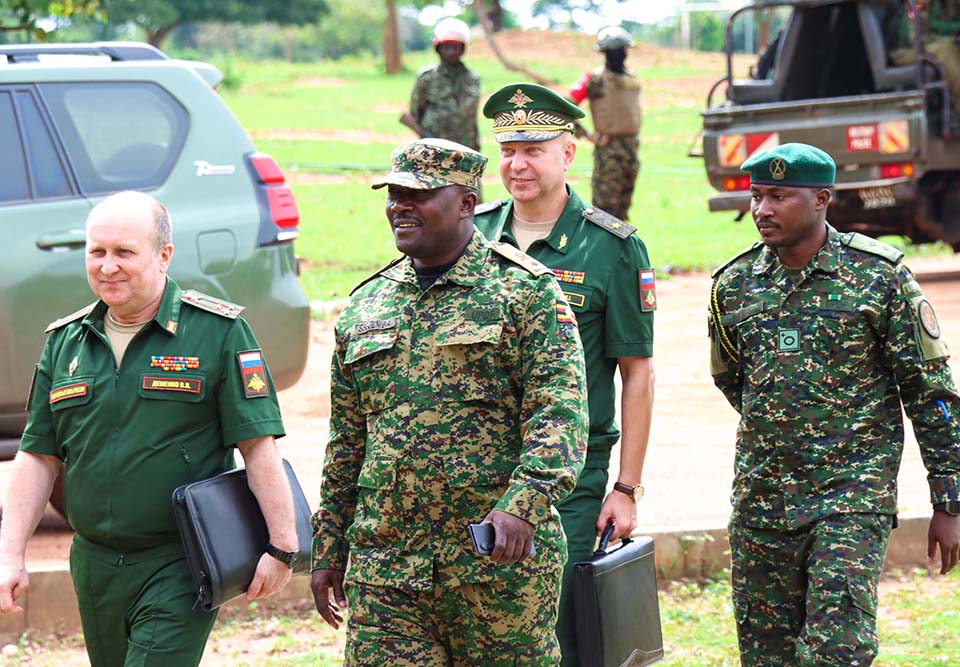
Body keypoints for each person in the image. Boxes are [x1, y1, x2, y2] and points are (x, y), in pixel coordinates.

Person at [309, 138, 588, 666]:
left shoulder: (524, 292)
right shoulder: (366, 305)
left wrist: (523, 506)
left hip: (495, 567)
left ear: (465, 203)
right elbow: (347, 442)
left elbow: (559, 413)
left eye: (418, 195)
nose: (400, 207)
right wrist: (328, 545)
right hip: (387, 569)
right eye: (394, 195)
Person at [0, 191, 297, 667]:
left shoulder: (218, 332)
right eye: (97, 252)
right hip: (94, 563)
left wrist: (283, 545)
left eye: (124, 252)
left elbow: (258, 444)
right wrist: (10, 554)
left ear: (164, 256)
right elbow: (38, 455)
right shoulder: (65, 342)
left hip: (180, 559)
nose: (108, 266)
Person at [708, 143, 960, 667]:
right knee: (766, 656)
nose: (762, 210)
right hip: (763, 500)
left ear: (822, 199)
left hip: (850, 495)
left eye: (779, 197)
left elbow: (930, 391)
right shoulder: (733, 285)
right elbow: (733, 380)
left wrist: (948, 501)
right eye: (757, 196)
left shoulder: (879, 277)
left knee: (838, 651)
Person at [474, 83, 655, 667]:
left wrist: (626, 488)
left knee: (558, 629)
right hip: (476, 466)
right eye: (507, 151)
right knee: (480, 626)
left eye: (534, 150)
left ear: (568, 153)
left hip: (568, 478)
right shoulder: (472, 235)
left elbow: (637, 373)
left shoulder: (612, 247)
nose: (517, 165)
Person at [568, 26, 642, 221]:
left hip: (631, 150)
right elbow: (565, 108)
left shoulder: (631, 78)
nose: (619, 55)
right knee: (605, 213)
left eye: (621, 50)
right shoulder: (594, 80)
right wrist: (586, 135)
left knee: (622, 213)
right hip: (609, 153)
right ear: (605, 53)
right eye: (613, 52)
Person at [891, 0, 960, 123]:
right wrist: (955, 40)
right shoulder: (921, 2)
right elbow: (918, 38)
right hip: (908, 50)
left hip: (948, 47)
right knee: (946, 50)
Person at [408, 18, 481, 151]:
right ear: (438, 48)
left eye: (456, 47)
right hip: (434, 148)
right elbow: (415, 112)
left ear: (463, 49)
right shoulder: (427, 77)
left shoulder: (473, 78)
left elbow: (472, 117)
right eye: (446, 47)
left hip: (466, 147)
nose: (451, 52)